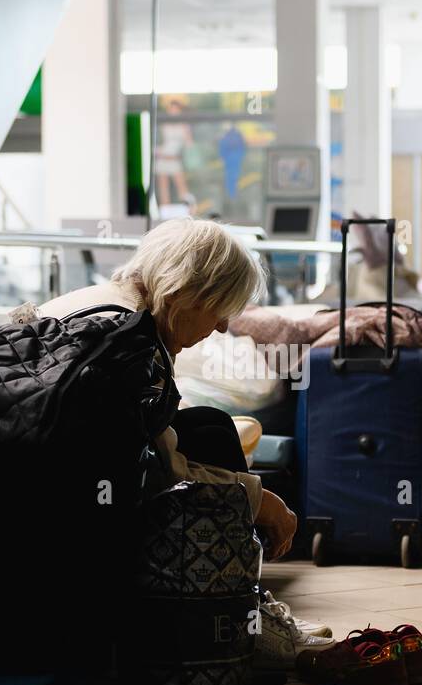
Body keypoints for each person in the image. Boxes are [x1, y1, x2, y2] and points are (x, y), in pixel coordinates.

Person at [36, 218, 297, 560]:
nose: (222, 327)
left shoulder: (96, 300)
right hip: (63, 495)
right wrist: (259, 499)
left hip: (48, 472)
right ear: (184, 295)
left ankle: (235, 588)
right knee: (210, 437)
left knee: (206, 424)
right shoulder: (129, 343)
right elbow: (159, 472)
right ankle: (222, 600)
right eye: (220, 310)